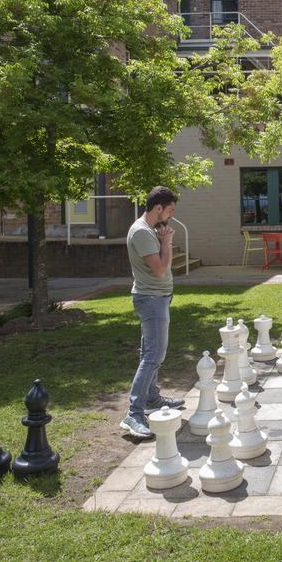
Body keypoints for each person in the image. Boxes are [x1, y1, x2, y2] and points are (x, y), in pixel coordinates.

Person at [119, 186, 185, 439]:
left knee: (150, 351)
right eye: (169, 210)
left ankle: (152, 399)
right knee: (153, 355)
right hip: (151, 299)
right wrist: (166, 242)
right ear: (158, 208)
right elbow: (160, 269)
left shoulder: (148, 231)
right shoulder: (141, 232)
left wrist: (161, 241)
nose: (171, 215)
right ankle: (133, 413)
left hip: (157, 298)